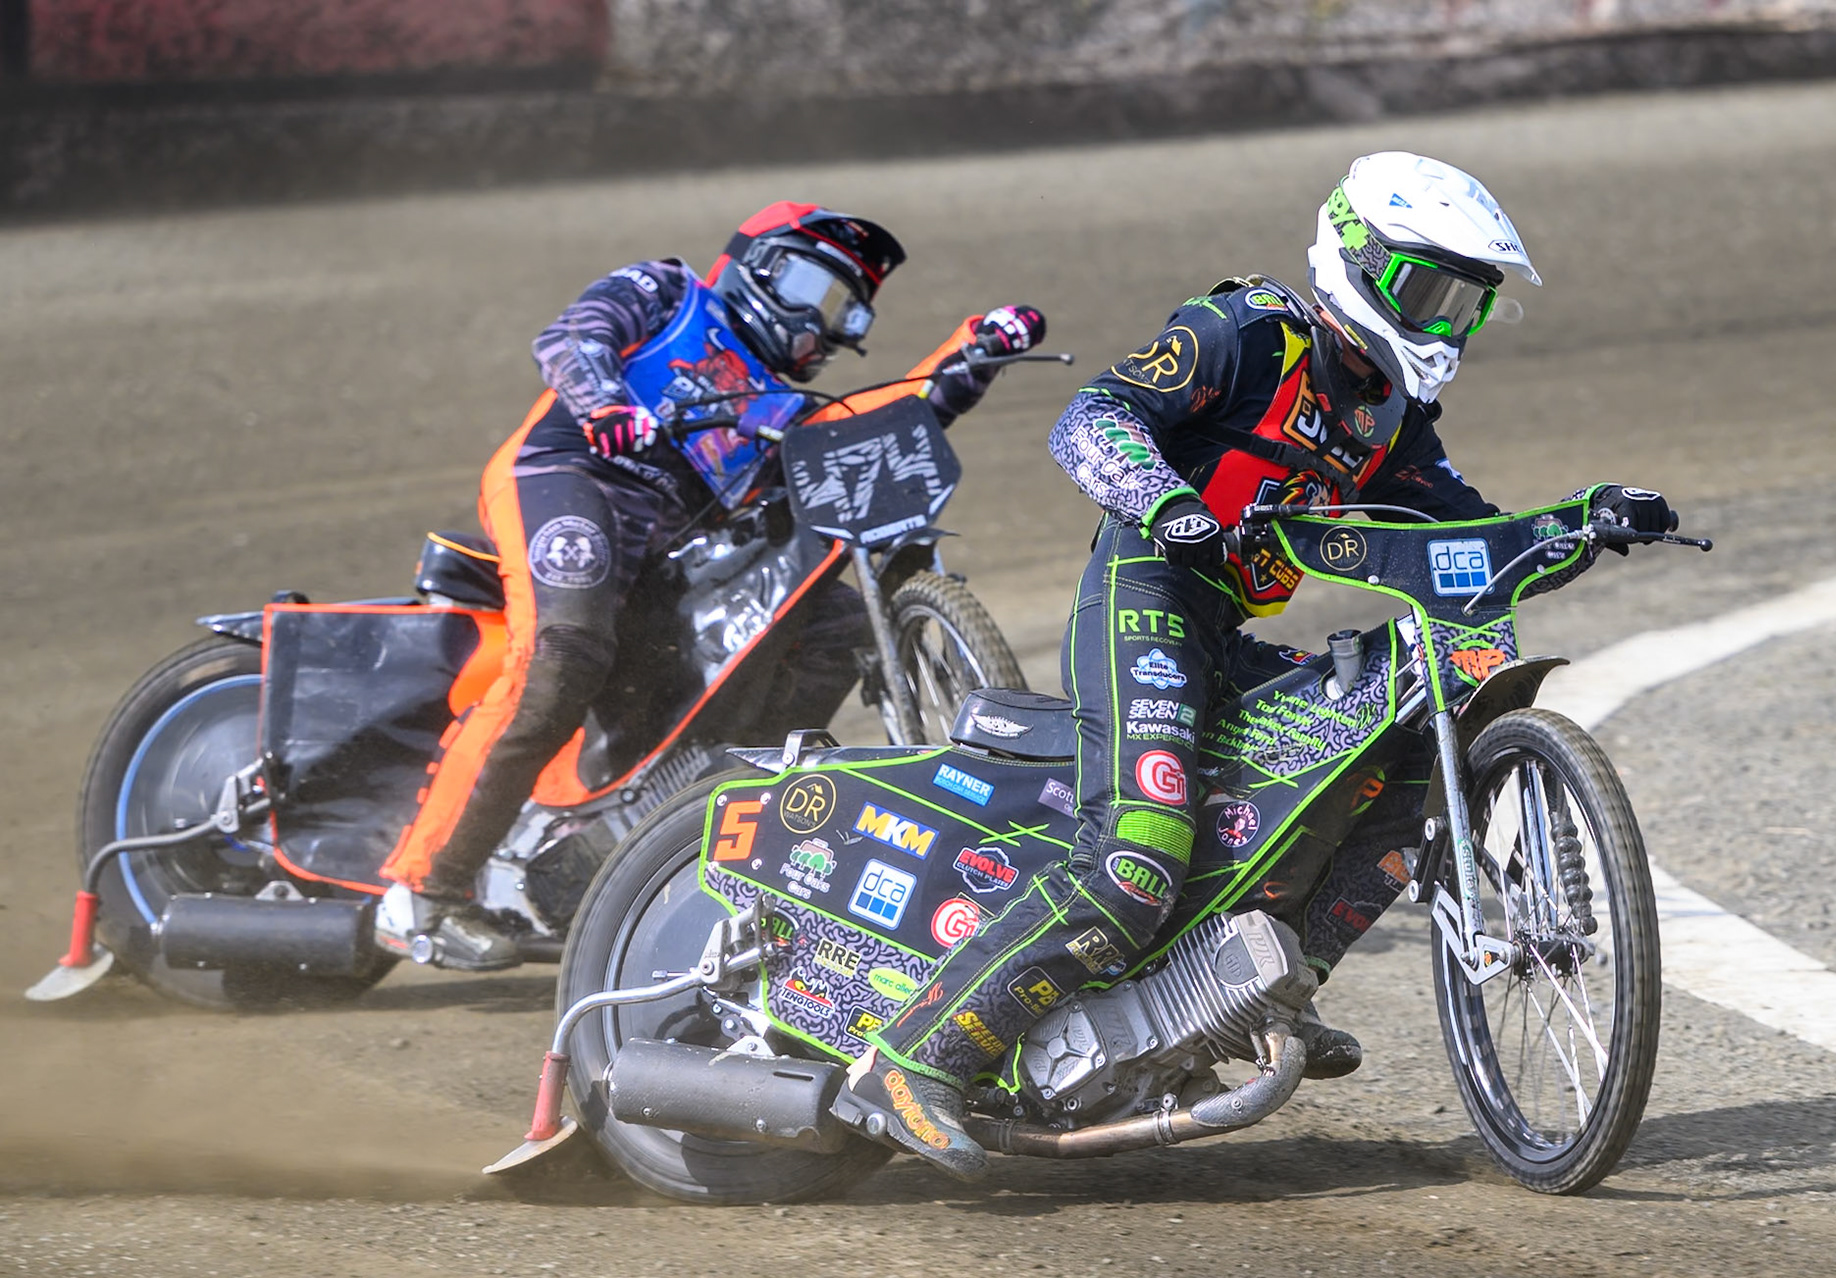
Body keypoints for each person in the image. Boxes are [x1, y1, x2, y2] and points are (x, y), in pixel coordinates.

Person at [853, 152, 1678, 1179]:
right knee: (1139, 852)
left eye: (1466, 305)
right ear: (1356, 260)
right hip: (1147, 596)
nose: (1446, 323)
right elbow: (1091, 419)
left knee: (1397, 758)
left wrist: (1583, 520)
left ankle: (1274, 985)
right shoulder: (1245, 333)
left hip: (1229, 637)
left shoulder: (1391, 417)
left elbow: (1470, 543)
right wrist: (1170, 504)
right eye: (1430, 292)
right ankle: (915, 1060)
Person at [374, 200, 1046, 970]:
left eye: (845, 312)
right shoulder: (665, 293)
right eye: (811, 289)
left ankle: (696, 835)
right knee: (563, 655)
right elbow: (571, 339)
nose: (820, 325)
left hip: (668, 550)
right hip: (574, 476)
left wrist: (976, 350)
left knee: (825, 628)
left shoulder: (789, 404)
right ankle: (423, 890)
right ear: (757, 266)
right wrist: (608, 405)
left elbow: (878, 417)